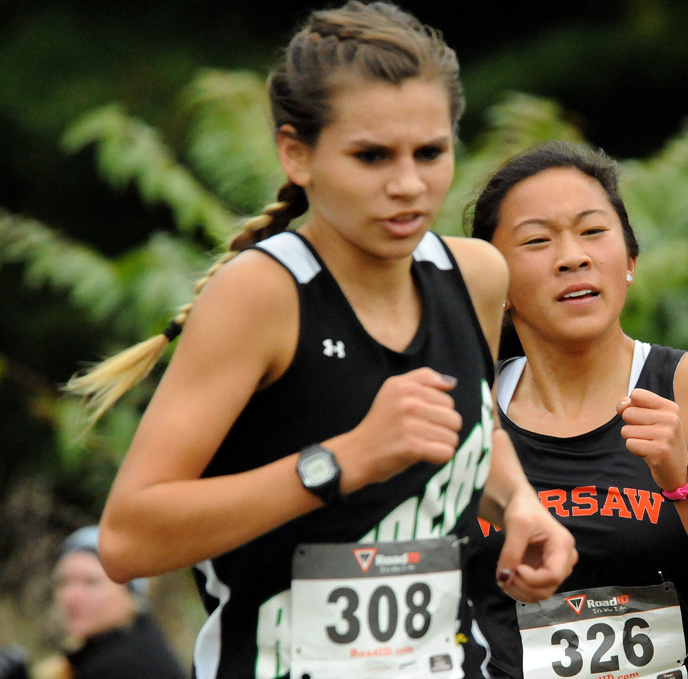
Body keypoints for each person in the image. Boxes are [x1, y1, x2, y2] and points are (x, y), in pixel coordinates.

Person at [64, 3, 576, 678]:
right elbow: (128, 538)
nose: (407, 185)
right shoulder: (262, 297)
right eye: (371, 156)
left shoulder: (477, 274)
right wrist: (343, 460)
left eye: (430, 152)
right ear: (296, 153)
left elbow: (470, 430)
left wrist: (520, 503)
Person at [465, 141, 688, 679]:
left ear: (631, 261)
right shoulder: (471, 406)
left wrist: (683, 482)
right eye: (538, 241)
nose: (573, 256)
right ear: (497, 283)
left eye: (593, 231)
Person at [31, 526, 187, 679]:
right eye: (64, 582)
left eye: (91, 582)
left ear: (130, 594)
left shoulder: (125, 665)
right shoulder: (133, 639)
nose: (71, 596)